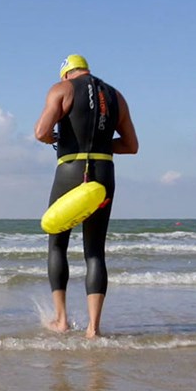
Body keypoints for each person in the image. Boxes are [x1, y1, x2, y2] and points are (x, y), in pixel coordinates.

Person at [34, 55, 138, 338]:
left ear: (66, 74)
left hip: (71, 170)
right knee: (95, 251)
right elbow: (131, 145)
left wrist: (50, 139)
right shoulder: (116, 97)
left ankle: (62, 320)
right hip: (104, 173)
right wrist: (102, 143)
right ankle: (94, 328)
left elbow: (41, 131)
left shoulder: (62, 89)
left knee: (57, 244)